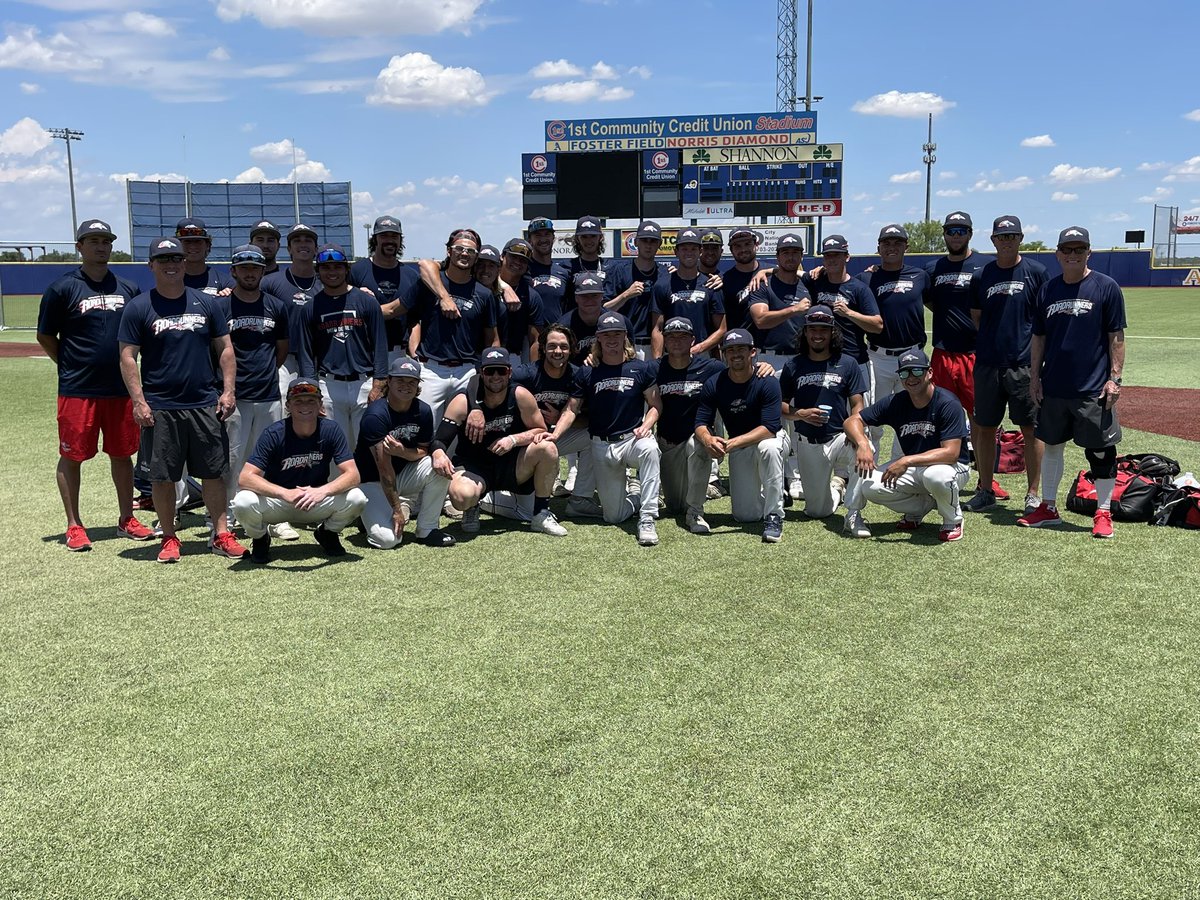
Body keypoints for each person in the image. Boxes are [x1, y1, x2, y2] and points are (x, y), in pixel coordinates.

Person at [117, 236, 245, 562]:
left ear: (184, 263)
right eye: (163, 260)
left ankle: (220, 534)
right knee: (163, 476)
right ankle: (169, 537)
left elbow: (225, 349)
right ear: (151, 266)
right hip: (161, 406)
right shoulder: (139, 307)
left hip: (203, 402)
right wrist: (139, 401)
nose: (171, 265)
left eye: (176, 259)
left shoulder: (206, 303)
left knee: (213, 473)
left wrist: (228, 391)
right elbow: (128, 356)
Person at [36, 218, 154, 551]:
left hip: (120, 389)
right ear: (80, 247)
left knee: (122, 455)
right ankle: (74, 524)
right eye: (93, 241)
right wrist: (68, 363)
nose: (101, 246)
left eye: (106, 241)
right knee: (73, 456)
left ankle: (125, 519)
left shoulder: (127, 287)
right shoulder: (63, 288)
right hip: (78, 389)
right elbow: (45, 335)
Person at [1021, 226, 1127, 539]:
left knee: (1100, 451)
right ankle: (1049, 508)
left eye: (1078, 250)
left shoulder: (1106, 287)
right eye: (1067, 250)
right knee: (1052, 446)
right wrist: (1035, 377)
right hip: (1054, 387)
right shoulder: (1048, 290)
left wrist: (1115, 378)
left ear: (1088, 253)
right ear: (1058, 254)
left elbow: (1116, 337)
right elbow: (1038, 337)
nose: (1072, 255)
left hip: (1092, 388)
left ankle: (1104, 512)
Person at [433, 347, 567, 537]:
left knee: (547, 447)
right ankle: (473, 505)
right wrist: (438, 454)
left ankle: (541, 513)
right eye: (490, 371)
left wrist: (513, 439)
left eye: (501, 371)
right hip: (475, 467)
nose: (496, 376)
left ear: (509, 372)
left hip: (512, 465)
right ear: (481, 373)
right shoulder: (463, 401)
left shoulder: (520, 395)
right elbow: (439, 441)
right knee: (461, 496)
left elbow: (541, 430)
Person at [555, 312, 662, 545]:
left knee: (651, 450)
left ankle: (647, 517)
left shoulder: (641, 368)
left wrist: (646, 425)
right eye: (606, 334)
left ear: (625, 336)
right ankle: (636, 497)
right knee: (613, 516)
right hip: (601, 444)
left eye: (617, 334)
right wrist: (554, 435)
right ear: (598, 338)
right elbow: (572, 410)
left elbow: (655, 406)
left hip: (632, 439)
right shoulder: (587, 371)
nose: (612, 339)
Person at [233, 377, 368, 562]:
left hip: (315, 499)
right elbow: (246, 478)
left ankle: (328, 533)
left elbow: (353, 474)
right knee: (242, 501)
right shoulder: (274, 433)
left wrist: (322, 491)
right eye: (298, 401)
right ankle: (260, 538)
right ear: (288, 405)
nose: (305, 405)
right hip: (279, 501)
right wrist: (283, 493)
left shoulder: (331, 430)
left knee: (357, 497)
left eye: (311, 400)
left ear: (320, 404)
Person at [842, 349, 970, 543]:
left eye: (917, 371)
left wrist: (906, 460)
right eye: (905, 373)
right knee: (870, 486)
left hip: (953, 468)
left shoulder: (947, 402)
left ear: (930, 373)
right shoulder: (897, 402)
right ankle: (922, 508)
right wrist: (862, 443)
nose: (911, 378)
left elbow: (951, 453)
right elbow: (852, 421)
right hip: (915, 466)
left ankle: (952, 520)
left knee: (936, 476)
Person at [969, 215, 1047, 513]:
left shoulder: (1036, 272)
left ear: (1021, 238)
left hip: (1023, 365)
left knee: (1030, 428)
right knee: (985, 427)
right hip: (988, 363)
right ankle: (986, 489)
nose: (1006, 241)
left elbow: (1042, 322)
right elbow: (977, 317)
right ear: (992, 240)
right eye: (1001, 237)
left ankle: (1032, 493)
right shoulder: (982, 275)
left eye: (1012, 236)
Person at [217, 245, 289, 527]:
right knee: (233, 459)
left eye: (255, 268)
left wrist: (265, 371)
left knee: (268, 457)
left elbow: (281, 350)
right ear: (233, 271)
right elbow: (216, 351)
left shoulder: (276, 306)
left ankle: (270, 516)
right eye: (243, 267)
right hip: (235, 395)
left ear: (262, 271)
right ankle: (230, 514)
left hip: (268, 392)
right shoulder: (220, 306)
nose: (249, 273)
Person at [694, 329, 787, 543]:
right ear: (723, 353)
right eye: (730, 350)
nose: (736, 354)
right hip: (739, 446)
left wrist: (730, 443)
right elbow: (700, 423)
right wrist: (708, 439)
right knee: (745, 516)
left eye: (741, 349)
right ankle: (775, 495)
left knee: (769, 448)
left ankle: (774, 516)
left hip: (768, 438)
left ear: (752, 352)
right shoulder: (715, 383)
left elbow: (770, 427)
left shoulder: (767, 380)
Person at [354, 357, 455, 549]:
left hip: (402, 474)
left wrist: (402, 452)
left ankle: (427, 530)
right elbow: (384, 470)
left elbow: (423, 451)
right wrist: (397, 509)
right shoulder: (375, 415)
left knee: (440, 466)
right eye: (400, 380)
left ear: (418, 385)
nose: (406, 386)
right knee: (388, 540)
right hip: (371, 481)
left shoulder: (423, 410)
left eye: (411, 381)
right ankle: (367, 514)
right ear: (389, 381)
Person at [296, 243, 388, 449]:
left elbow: (380, 345)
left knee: (370, 447)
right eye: (326, 268)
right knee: (333, 447)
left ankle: (367, 483)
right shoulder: (310, 308)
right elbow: (306, 354)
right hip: (329, 385)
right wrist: (313, 391)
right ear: (317, 271)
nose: (332, 272)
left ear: (346, 269)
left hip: (364, 383)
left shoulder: (366, 301)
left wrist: (379, 384)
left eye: (337, 266)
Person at [780, 305, 868, 519]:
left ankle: (854, 512)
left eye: (823, 330)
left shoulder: (847, 363)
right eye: (813, 330)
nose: (817, 335)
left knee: (866, 449)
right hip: (808, 440)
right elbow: (779, 405)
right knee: (817, 511)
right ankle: (837, 488)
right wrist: (801, 414)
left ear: (832, 333)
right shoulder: (793, 365)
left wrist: (856, 433)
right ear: (806, 332)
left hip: (840, 437)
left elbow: (857, 404)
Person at [857, 224, 932, 463]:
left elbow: (936, 304)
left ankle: (901, 465)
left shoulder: (920, 276)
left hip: (912, 355)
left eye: (897, 243)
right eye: (886, 243)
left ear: (906, 247)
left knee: (910, 415)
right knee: (873, 415)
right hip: (878, 356)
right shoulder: (866, 278)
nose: (892, 247)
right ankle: (870, 467)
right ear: (878, 248)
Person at [407, 228, 500, 420]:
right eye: (459, 249)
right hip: (431, 369)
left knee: (466, 430)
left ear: (476, 258)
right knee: (425, 426)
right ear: (449, 251)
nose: (464, 254)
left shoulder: (484, 294)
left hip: (466, 371)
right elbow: (413, 319)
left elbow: (492, 339)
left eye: (471, 251)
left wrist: (484, 370)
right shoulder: (430, 283)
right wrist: (414, 352)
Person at [654, 317, 726, 533]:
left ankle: (696, 512)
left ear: (692, 340)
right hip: (669, 444)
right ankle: (688, 501)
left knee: (700, 443)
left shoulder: (711, 367)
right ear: (664, 341)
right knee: (676, 506)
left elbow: (740, 375)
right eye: (671, 337)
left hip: (695, 439)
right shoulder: (654, 368)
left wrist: (762, 367)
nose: (677, 341)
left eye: (682, 336)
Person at [349, 215, 419, 364]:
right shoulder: (357, 271)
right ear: (375, 239)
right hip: (364, 351)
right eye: (384, 236)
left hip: (397, 353)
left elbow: (414, 320)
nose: (390, 240)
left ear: (400, 240)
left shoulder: (411, 276)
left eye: (394, 236)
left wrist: (414, 355)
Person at [650, 227, 726, 357]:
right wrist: (657, 360)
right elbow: (657, 329)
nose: (689, 253)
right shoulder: (662, 285)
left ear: (700, 251)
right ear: (676, 252)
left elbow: (722, 329)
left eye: (693, 249)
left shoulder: (711, 284)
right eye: (684, 249)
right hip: (672, 355)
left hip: (703, 355)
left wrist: (698, 349)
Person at [603, 220, 667, 358]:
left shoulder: (665, 273)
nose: (648, 245)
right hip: (626, 344)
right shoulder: (619, 271)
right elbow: (604, 310)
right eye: (644, 240)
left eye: (653, 241)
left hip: (658, 344)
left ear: (659, 244)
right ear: (636, 242)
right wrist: (625, 295)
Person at [559, 271, 630, 366]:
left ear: (602, 296)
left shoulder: (620, 323)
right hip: (574, 374)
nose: (589, 300)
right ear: (576, 298)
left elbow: (629, 355)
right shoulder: (564, 326)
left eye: (594, 295)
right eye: (584, 296)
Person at [495, 238, 546, 362]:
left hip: (513, 356)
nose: (518, 262)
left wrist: (534, 372)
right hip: (481, 355)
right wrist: (502, 285)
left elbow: (535, 341)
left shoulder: (531, 296)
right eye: (513, 256)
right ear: (502, 256)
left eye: (523, 260)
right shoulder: (486, 284)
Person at [524, 216, 569, 323]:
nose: (543, 239)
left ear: (553, 238)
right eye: (538, 235)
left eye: (547, 234)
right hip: (528, 336)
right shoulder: (523, 270)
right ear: (530, 240)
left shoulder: (563, 273)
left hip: (555, 336)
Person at [719, 227, 765, 330]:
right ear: (731, 250)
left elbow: (795, 274)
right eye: (737, 246)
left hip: (770, 344)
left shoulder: (772, 272)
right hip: (740, 344)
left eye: (747, 244)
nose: (743, 250)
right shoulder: (725, 280)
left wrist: (768, 271)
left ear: (756, 245)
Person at [175, 217, 234, 295]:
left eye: (197, 241)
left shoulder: (224, 282)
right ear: (178, 246)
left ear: (207, 245)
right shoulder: (171, 281)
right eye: (187, 242)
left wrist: (225, 298)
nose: (192, 246)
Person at [561, 214, 606, 312]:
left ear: (600, 237)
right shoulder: (566, 267)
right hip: (574, 323)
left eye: (593, 236)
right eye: (584, 236)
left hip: (604, 324)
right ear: (577, 238)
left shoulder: (611, 268)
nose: (589, 241)